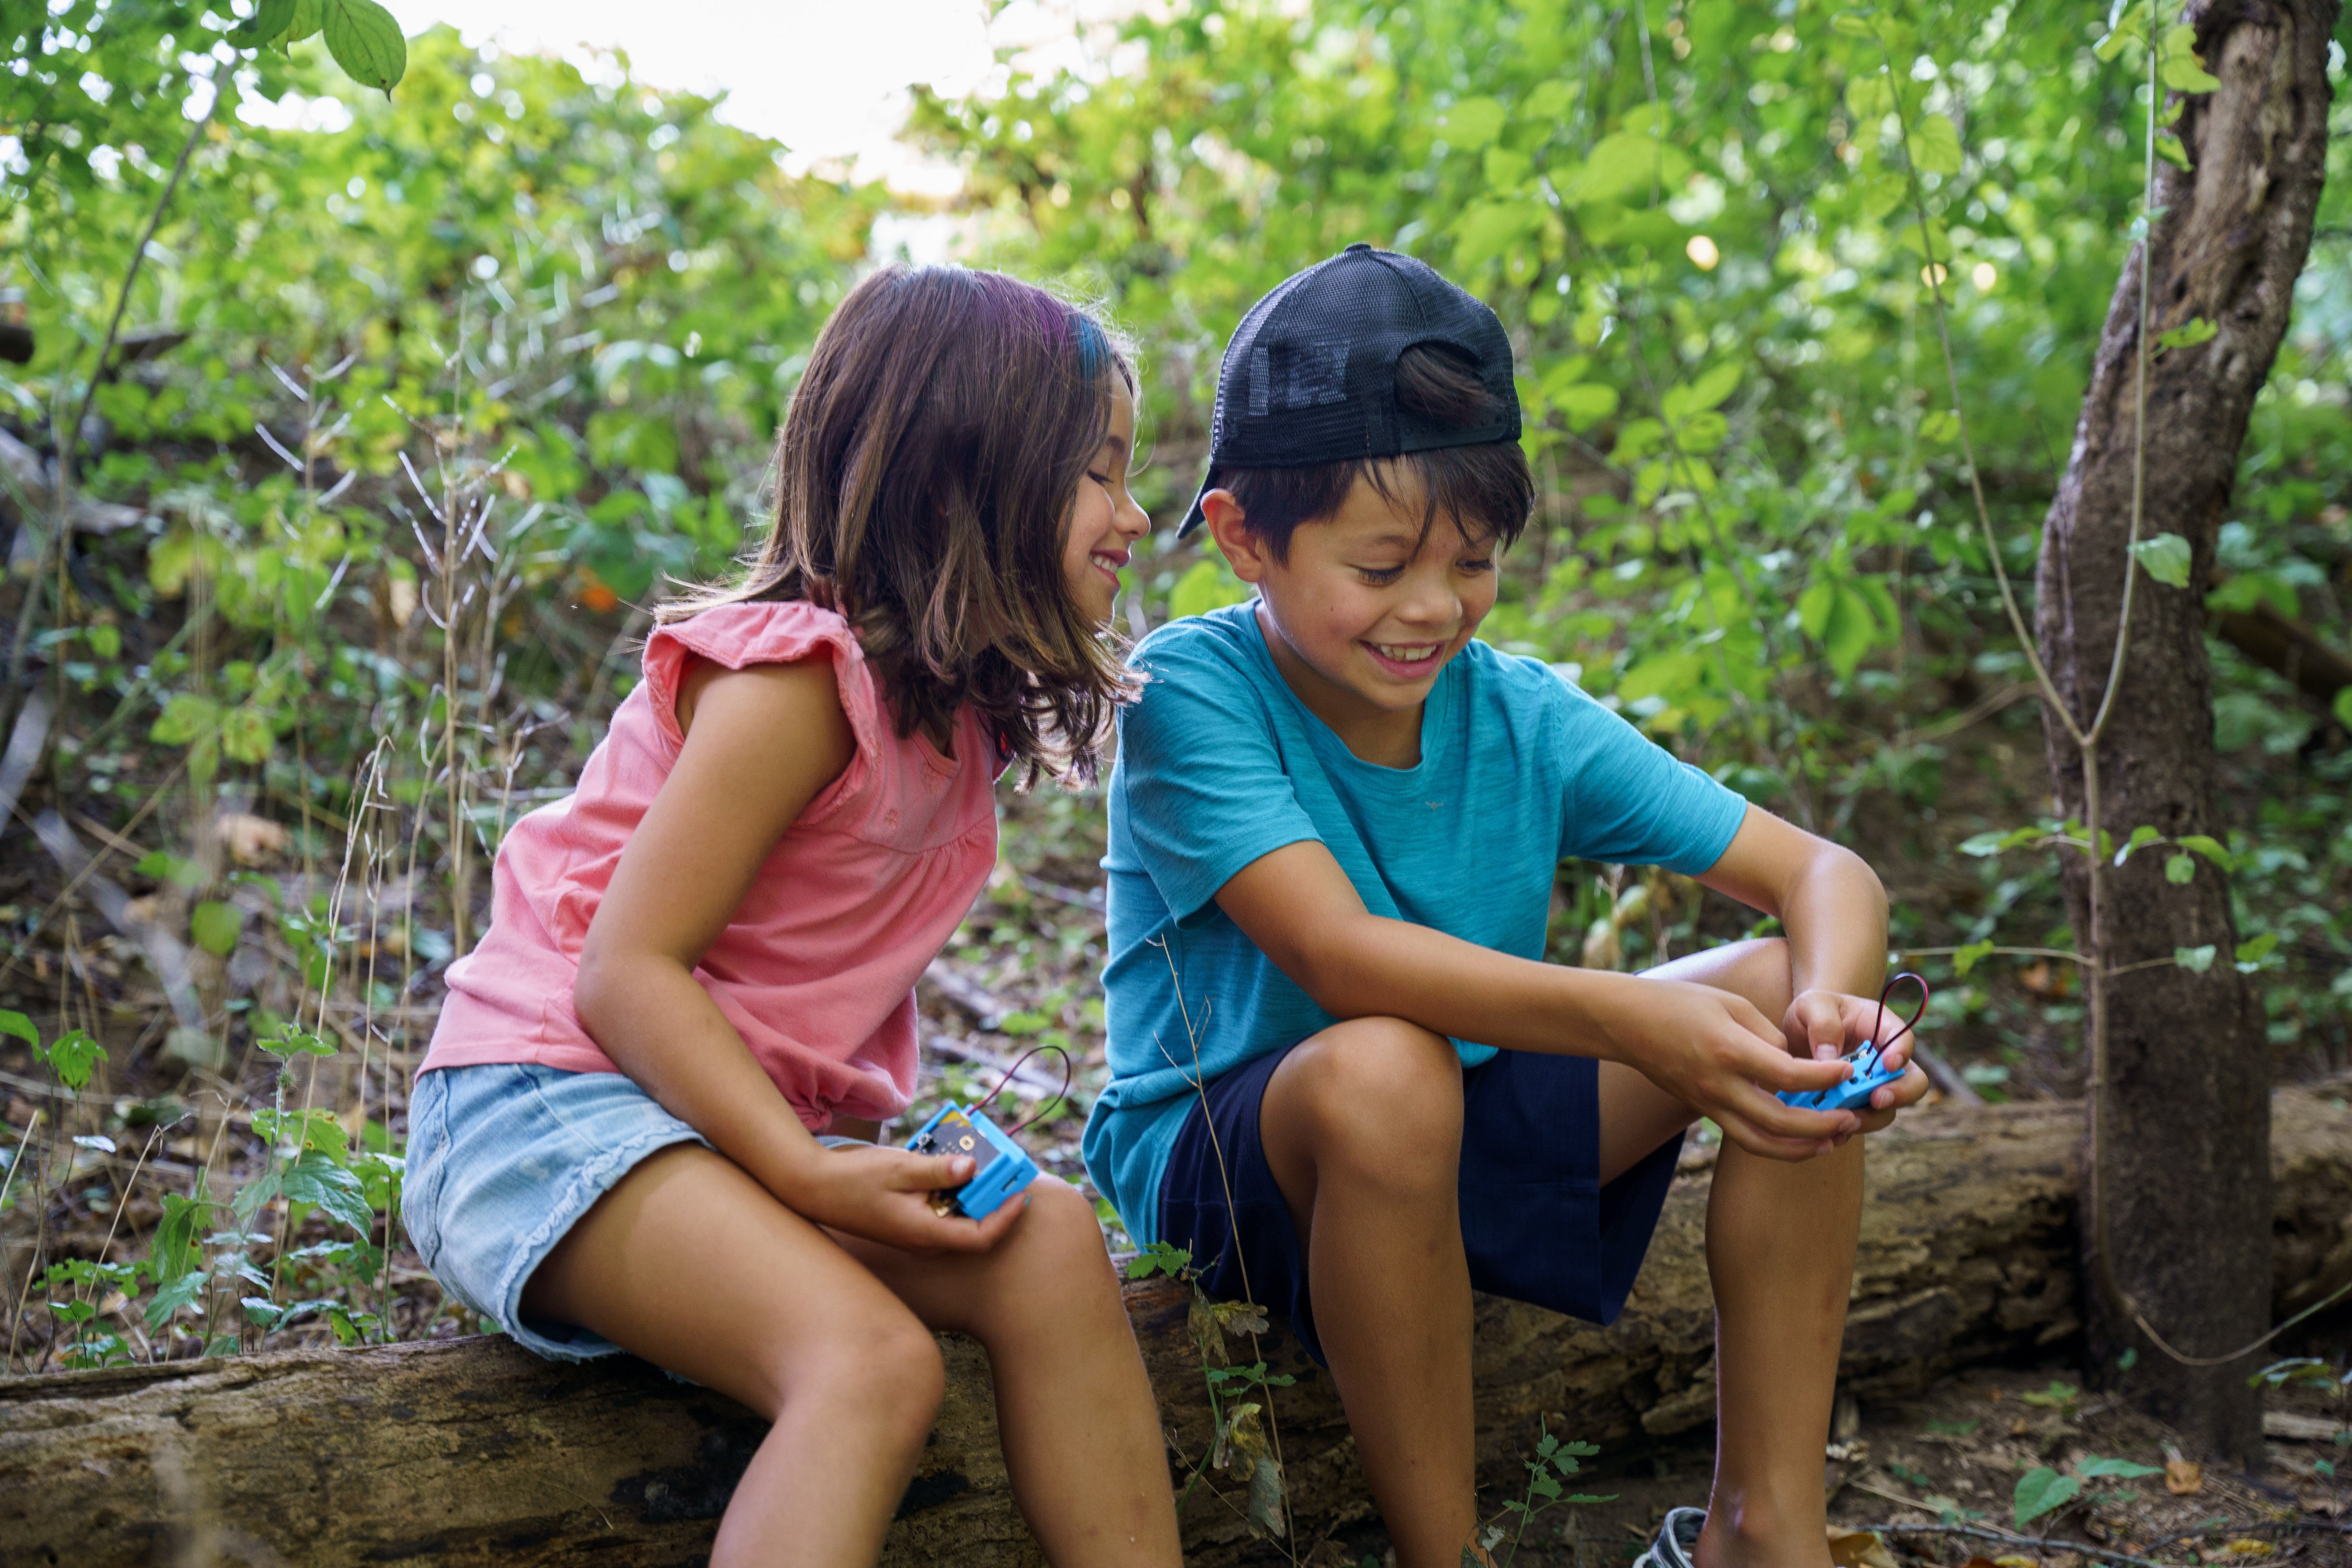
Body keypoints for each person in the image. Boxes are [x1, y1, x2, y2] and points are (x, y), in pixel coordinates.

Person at [1081, 244, 1931, 1568]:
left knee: (1778, 998)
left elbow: (1827, 876)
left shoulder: (1516, 713)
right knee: (1383, 1068)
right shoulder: (1192, 691)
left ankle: (1764, 1525)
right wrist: (1640, 1027)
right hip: (1233, 1166)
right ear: (1242, 535)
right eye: (1378, 569)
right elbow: (1341, 955)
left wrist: (1834, 1010)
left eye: (1472, 563)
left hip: (1450, 1122)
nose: (1432, 608)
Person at [404, 266, 1181, 1568]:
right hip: (547, 1100)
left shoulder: (952, 723)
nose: (1135, 513)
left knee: (1045, 1237)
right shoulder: (795, 684)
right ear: (967, 474)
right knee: (869, 1362)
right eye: (1100, 473)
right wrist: (809, 1171)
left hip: (711, 1124)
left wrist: (834, 1151)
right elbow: (624, 974)